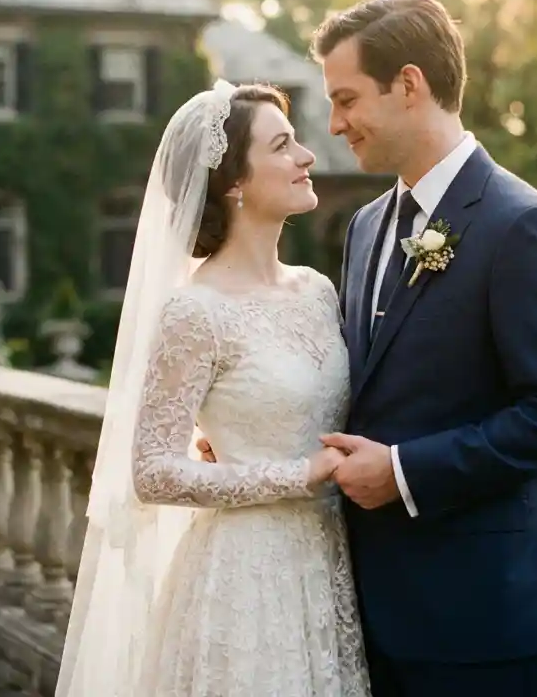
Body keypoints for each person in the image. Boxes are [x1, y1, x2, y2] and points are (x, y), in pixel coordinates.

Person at [308, 0, 537, 696]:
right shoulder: (367, 226)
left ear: (409, 85)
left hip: (476, 616)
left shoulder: (522, 225)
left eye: (346, 99)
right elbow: (367, 386)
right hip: (362, 606)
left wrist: (405, 472)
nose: (334, 124)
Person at [56, 80, 371, 697]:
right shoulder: (194, 312)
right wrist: (296, 475)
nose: (307, 157)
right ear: (233, 183)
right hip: (244, 580)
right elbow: (152, 472)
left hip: (329, 565)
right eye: (283, 145)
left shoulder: (317, 290)